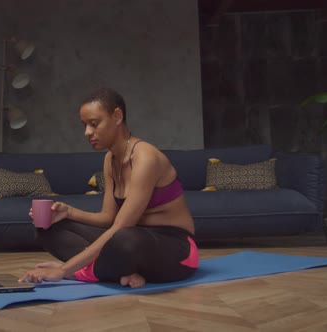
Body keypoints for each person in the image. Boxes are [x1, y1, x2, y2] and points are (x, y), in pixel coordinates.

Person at [19, 87, 198, 288]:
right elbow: (107, 218)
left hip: (176, 249)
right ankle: (121, 272)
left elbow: (121, 226)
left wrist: (63, 270)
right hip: (132, 239)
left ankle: (82, 272)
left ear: (117, 116)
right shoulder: (110, 160)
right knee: (48, 229)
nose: (87, 132)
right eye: (85, 125)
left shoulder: (145, 157)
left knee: (125, 239)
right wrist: (68, 212)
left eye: (94, 124)